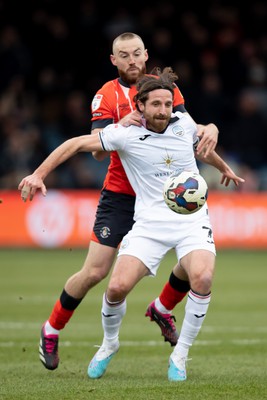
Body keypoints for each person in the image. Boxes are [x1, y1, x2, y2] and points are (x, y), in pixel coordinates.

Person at [19, 67, 245, 381]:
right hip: (149, 223)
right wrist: (39, 173)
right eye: (156, 104)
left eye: (168, 104)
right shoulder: (124, 134)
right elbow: (74, 144)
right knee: (115, 286)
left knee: (202, 278)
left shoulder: (184, 124)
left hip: (191, 221)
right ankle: (109, 344)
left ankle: (180, 356)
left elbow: (203, 146)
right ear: (140, 105)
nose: (164, 110)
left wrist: (224, 165)